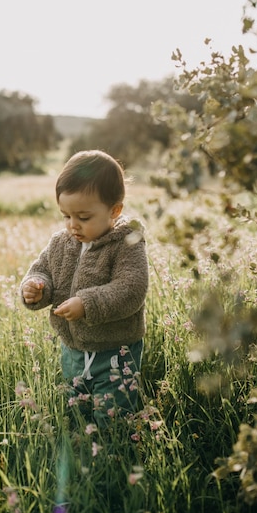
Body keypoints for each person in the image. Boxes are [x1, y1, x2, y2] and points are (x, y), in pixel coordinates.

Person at [20, 150, 149, 428]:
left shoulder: (127, 243)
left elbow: (131, 289)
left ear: (114, 211)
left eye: (84, 217)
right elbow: (42, 270)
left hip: (115, 351)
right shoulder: (61, 242)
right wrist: (36, 287)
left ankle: (112, 455)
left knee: (112, 415)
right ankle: (79, 446)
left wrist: (86, 304)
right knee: (76, 409)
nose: (72, 225)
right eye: (65, 215)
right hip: (73, 350)